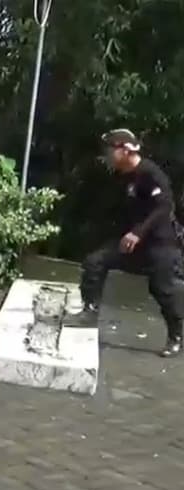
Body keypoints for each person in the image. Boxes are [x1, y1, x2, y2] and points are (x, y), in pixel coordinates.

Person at [75, 129, 184, 358]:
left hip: (161, 244)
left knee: (161, 289)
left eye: (110, 150)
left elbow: (164, 207)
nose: (107, 155)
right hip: (134, 243)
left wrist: (137, 232)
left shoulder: (150, 174)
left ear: (125, 150)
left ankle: (176, 336)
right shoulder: (123, 175)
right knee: (96, 261)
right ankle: (90, 311)